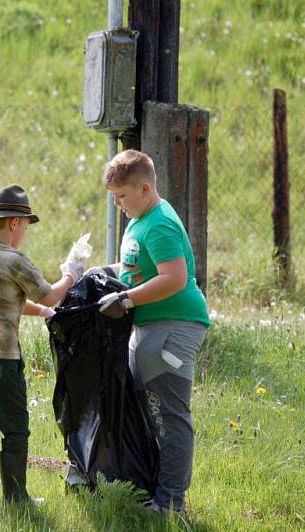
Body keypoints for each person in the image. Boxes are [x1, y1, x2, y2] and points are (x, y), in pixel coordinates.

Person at [0, 183, 86, 512]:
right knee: (15, 430)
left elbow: (5, 300)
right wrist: (71, 273)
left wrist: (40, 312)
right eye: (25, 225)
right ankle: (16, 498)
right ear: (14, 223)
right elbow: (50, 294)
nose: (24, 232)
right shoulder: (14, 258)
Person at [95, 150, 210, 516]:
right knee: (149, 413)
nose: (118, 204)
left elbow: (174, 278)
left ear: (145, 188)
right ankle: (154, 490)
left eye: (122, 196)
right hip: (150, 328)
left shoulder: (158, 223)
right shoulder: (138, 220)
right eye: (114, 198)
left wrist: (126, 300)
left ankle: (171, 503)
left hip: (174, 327)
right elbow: (134, 269)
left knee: (171, 416)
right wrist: (98, 273)